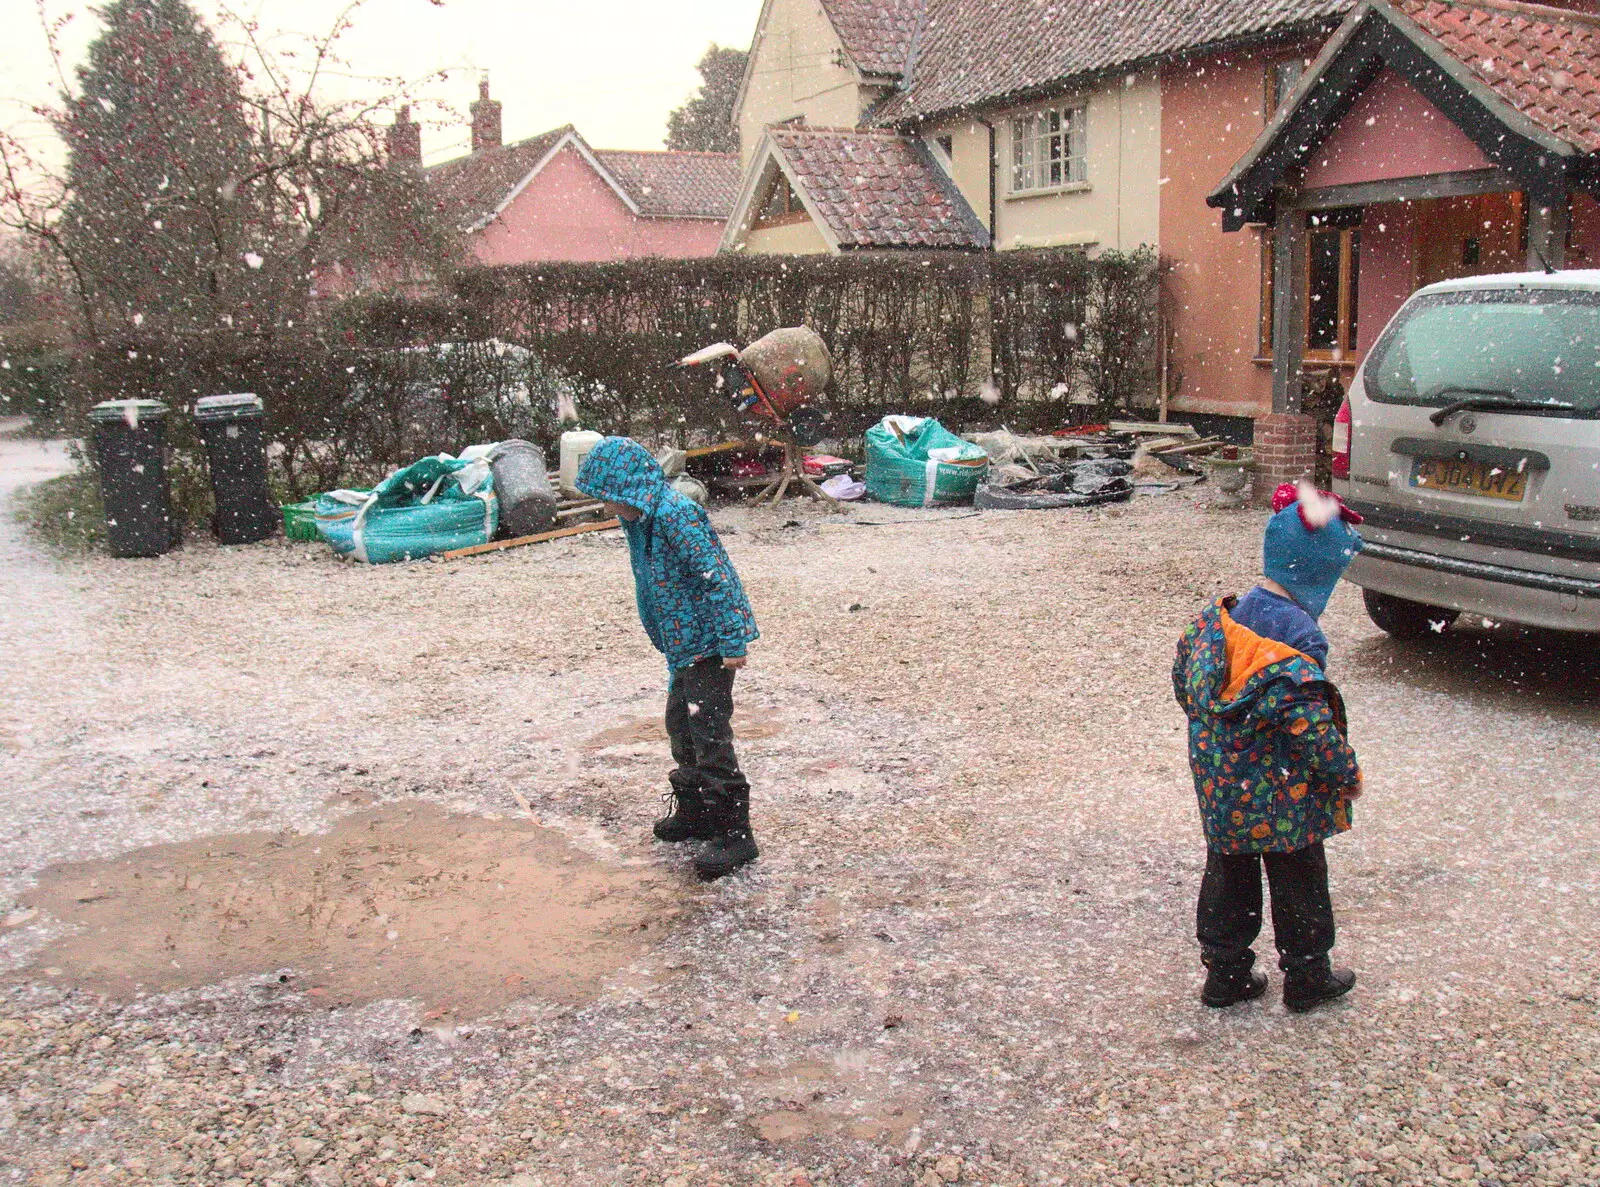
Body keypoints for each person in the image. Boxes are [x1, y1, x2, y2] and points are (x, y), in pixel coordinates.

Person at [1172, 481, 1366, 1012]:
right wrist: (1343, 772)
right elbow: (1309, 724)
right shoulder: (1298, 640)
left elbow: (1185, 684)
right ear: (1316, 576)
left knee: (1228, 873)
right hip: (1284, 791)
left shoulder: (1222, 621)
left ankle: (1226, 976)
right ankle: (1307, 976)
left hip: (1223, 783)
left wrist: (1219, 738)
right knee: (1299, 877)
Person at [576, 437, 761, 879]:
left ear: (628, 491)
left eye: (607, 499)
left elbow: (718, 578)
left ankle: (736, 834)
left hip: (710, 645)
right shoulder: (640, 521)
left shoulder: (676, 517)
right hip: (683, 645)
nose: (606, 509)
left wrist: (733, 641)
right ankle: (696, 812)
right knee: (681, 725)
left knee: (709, 732)